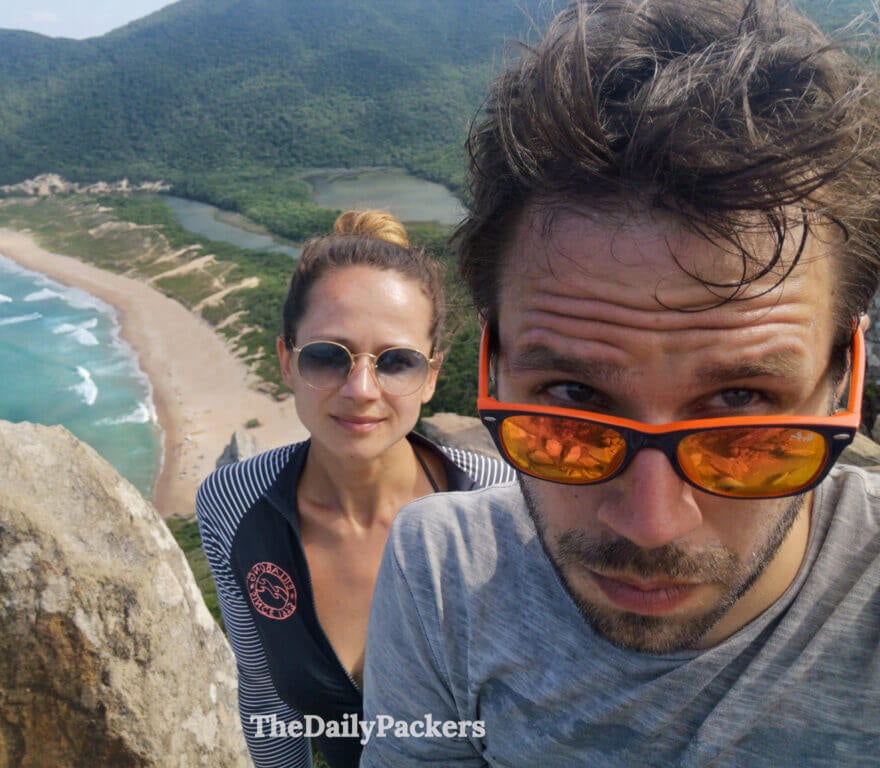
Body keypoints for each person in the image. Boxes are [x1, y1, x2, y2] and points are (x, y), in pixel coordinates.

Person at [360, 0, 880, 765]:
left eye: (740, 407)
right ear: (494, 365)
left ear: (845, 378)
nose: (651, 523)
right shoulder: (442, 573)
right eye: (573, 399)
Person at [196, 210, 515, 767]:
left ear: (431, 376)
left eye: (396, 362)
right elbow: (266, 697)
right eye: (327, 356)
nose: (362, 389)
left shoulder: (495, 501)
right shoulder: (235, 502)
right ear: (286, 361)